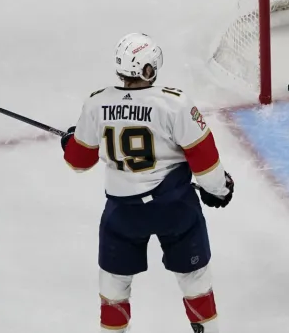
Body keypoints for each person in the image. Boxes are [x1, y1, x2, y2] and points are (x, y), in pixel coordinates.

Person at [60, 33, 234, 333]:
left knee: (114, 290)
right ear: (148, 70)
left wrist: (71, 142)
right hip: (174, 209)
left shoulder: (97, 103)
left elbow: (79, 162)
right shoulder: (174, 103)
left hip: (122, 214)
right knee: (195, 282)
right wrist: (219, 189)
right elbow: (204, 161)